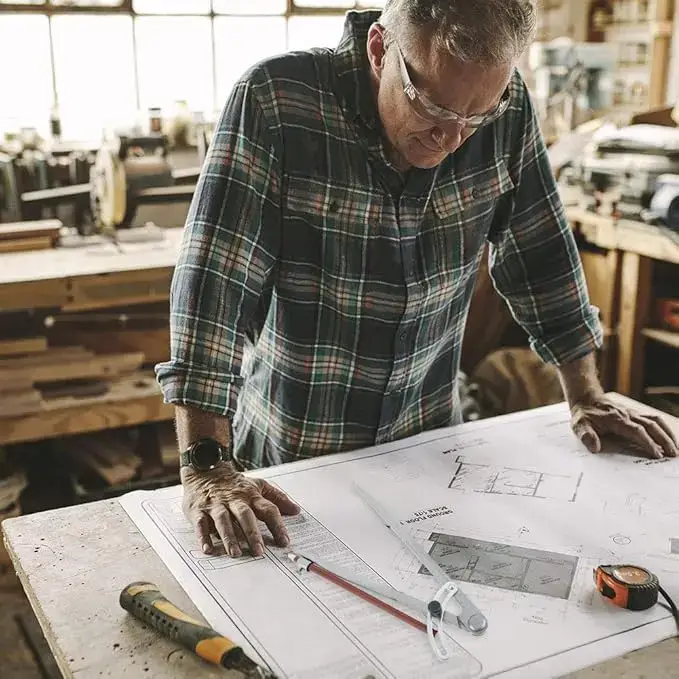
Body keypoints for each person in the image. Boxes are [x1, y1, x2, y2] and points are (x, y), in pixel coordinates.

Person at [156, 0, 678, 559]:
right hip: (298, 457)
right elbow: (214, 288)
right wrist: (207, 466)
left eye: (475, 117)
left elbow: (540, 250)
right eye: (432, 107)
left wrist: (586, 395)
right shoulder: (277, 101)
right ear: (380, 51)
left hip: (430, 452)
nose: (452, 138)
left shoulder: (507, 107)